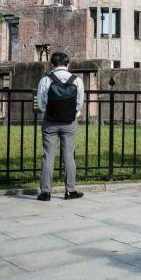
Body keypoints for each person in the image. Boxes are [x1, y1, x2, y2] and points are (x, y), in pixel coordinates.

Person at [36, 51, 84, 201]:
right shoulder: (77, 81)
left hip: (50, 122)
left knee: (48, 156)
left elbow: (41, 103)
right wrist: (72, 115)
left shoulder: (45, 80)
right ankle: (70, 190)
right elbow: (79, 103)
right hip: (69, 123)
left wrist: (50, 113)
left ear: (52, 64)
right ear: (68, 63)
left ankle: (45, 192)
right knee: (69, 156)